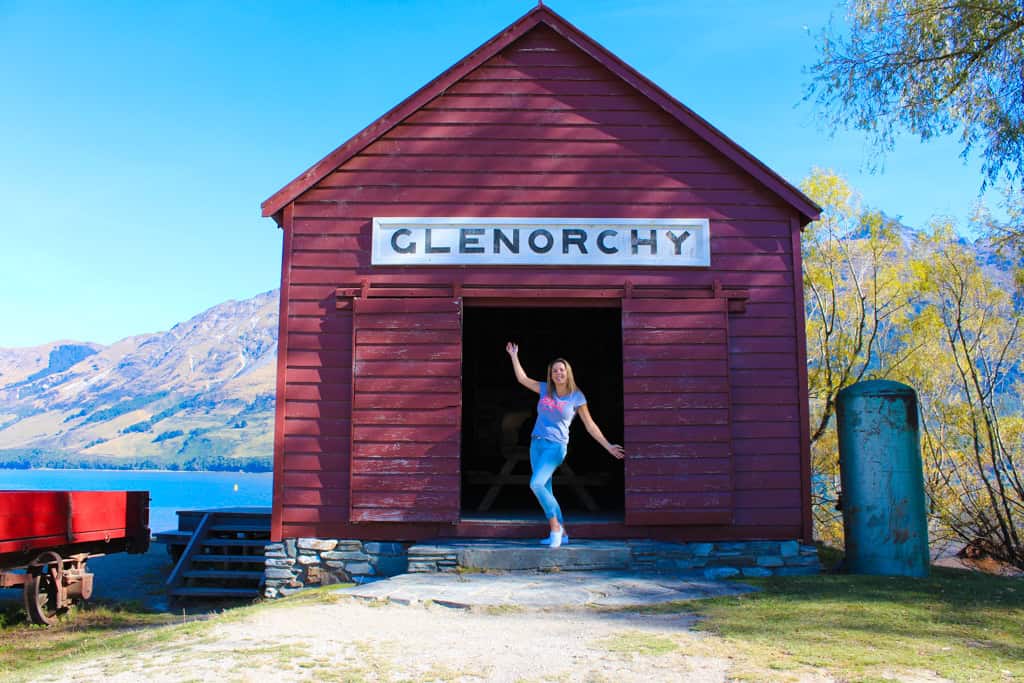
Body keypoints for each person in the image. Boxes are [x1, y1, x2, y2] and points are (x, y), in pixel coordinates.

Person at [505, 342, 625, 548]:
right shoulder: (544, 389)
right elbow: (522, 379)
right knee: (546, 489)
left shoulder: (577, 396)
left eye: (562, 370)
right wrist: (514, 356)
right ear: (551, 375)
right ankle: (564, 533)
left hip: (556, 447)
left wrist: (608, 446)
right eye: (554, 371)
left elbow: (590, 425)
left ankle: (555, 529)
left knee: (536, 484)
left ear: (568, 373)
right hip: (537, 444)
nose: (558, 373)